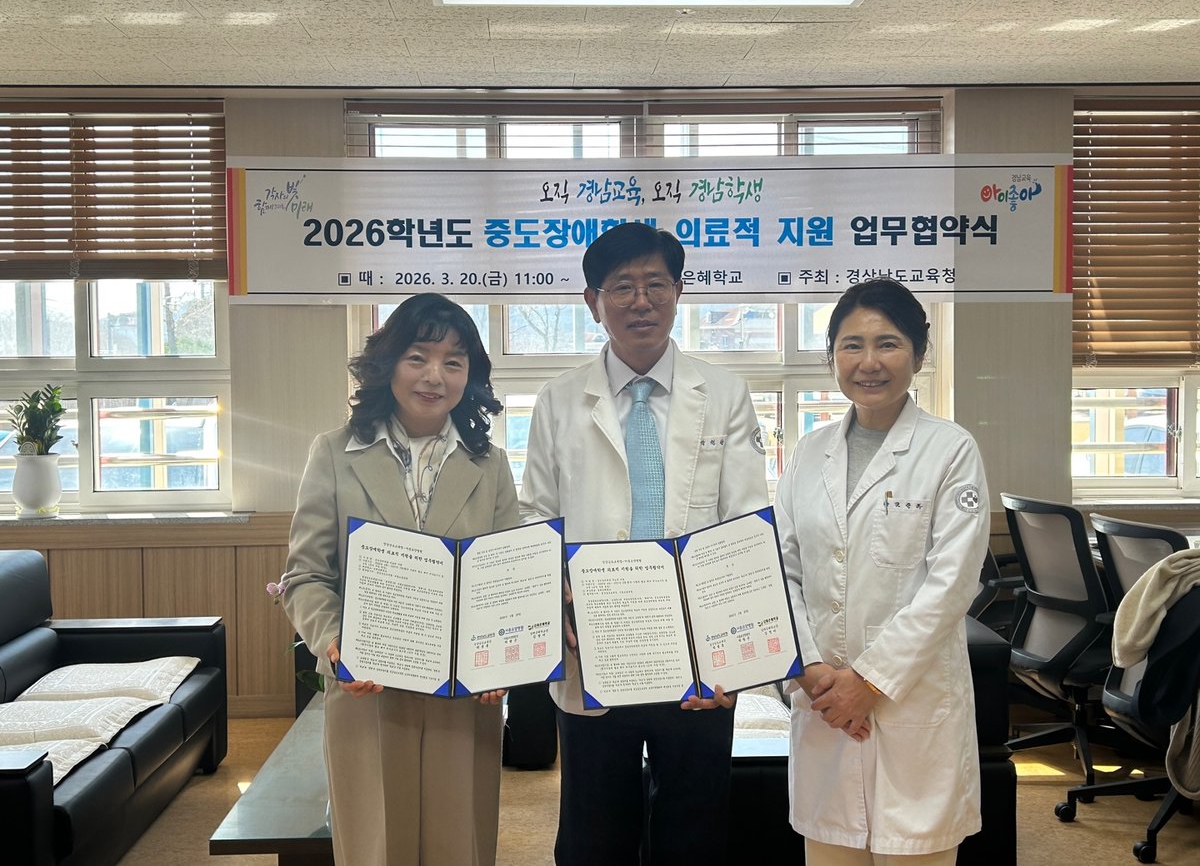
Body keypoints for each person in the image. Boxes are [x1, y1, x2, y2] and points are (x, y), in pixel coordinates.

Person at [519, 221, 768, 864]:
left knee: (694, 830)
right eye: (621, 286)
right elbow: (536, 517)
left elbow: (745, 524)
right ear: (592, 301)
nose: (640, 301)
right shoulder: (558, 400)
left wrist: (735, 651)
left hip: (697, 653)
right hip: (593, 644)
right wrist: (554, 592)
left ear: (678, 292)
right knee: (593, 833)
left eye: (656, 284)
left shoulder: (725, 394)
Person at [282, 293, 518, 866]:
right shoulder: (334, 453)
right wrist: (333, 641)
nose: (435, 376)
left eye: (453, 362)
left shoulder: (490, 465)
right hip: (368, 689)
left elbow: (507, 581)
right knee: (375, 847)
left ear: (469, 376)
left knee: (459, 845)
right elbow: (306, 575)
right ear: (388, 364)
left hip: (463, 697)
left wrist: (501, 662)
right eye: (418, 357)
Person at [775, 278, 990, 865]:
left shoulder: (950, 450)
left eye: (888, 343)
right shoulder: (808, 452)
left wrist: (868, 683)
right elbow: (783, 569)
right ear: (832, 357)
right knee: (831, 852)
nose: (868, 362)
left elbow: (951, 586)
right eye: (852, 345)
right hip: (824, 701)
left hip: (911, 704)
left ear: (918, 355)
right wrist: (810, 666)